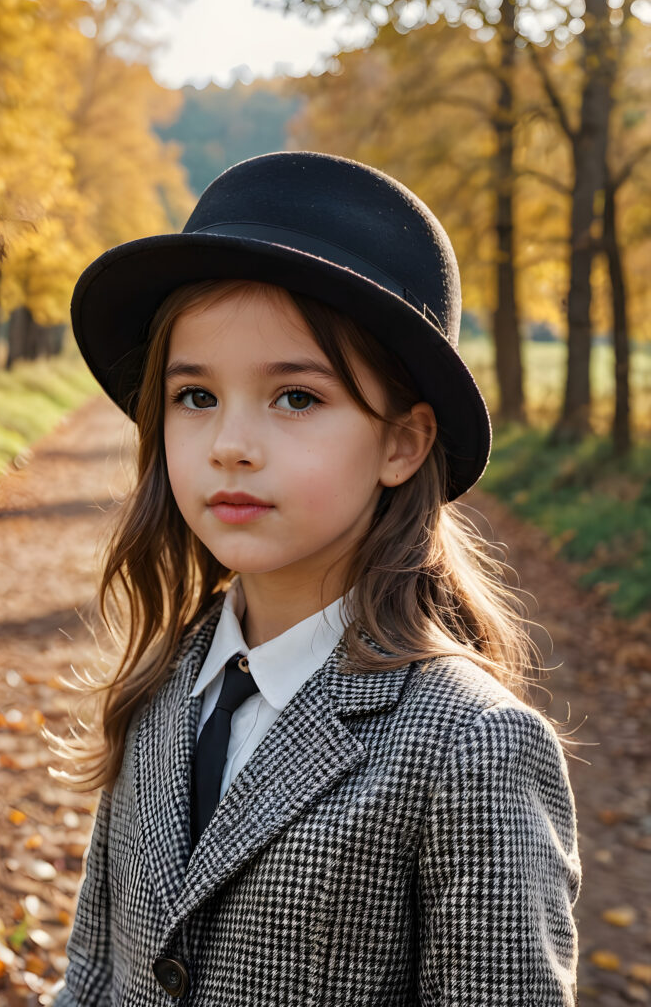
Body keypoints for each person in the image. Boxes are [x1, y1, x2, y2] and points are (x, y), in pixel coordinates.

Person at [49, 151, 581, 1006]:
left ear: (403, 443)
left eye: (296, 398)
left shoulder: (471, 748)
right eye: (195, 397)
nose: (230, 443)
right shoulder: (159, 683)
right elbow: (91, 978)